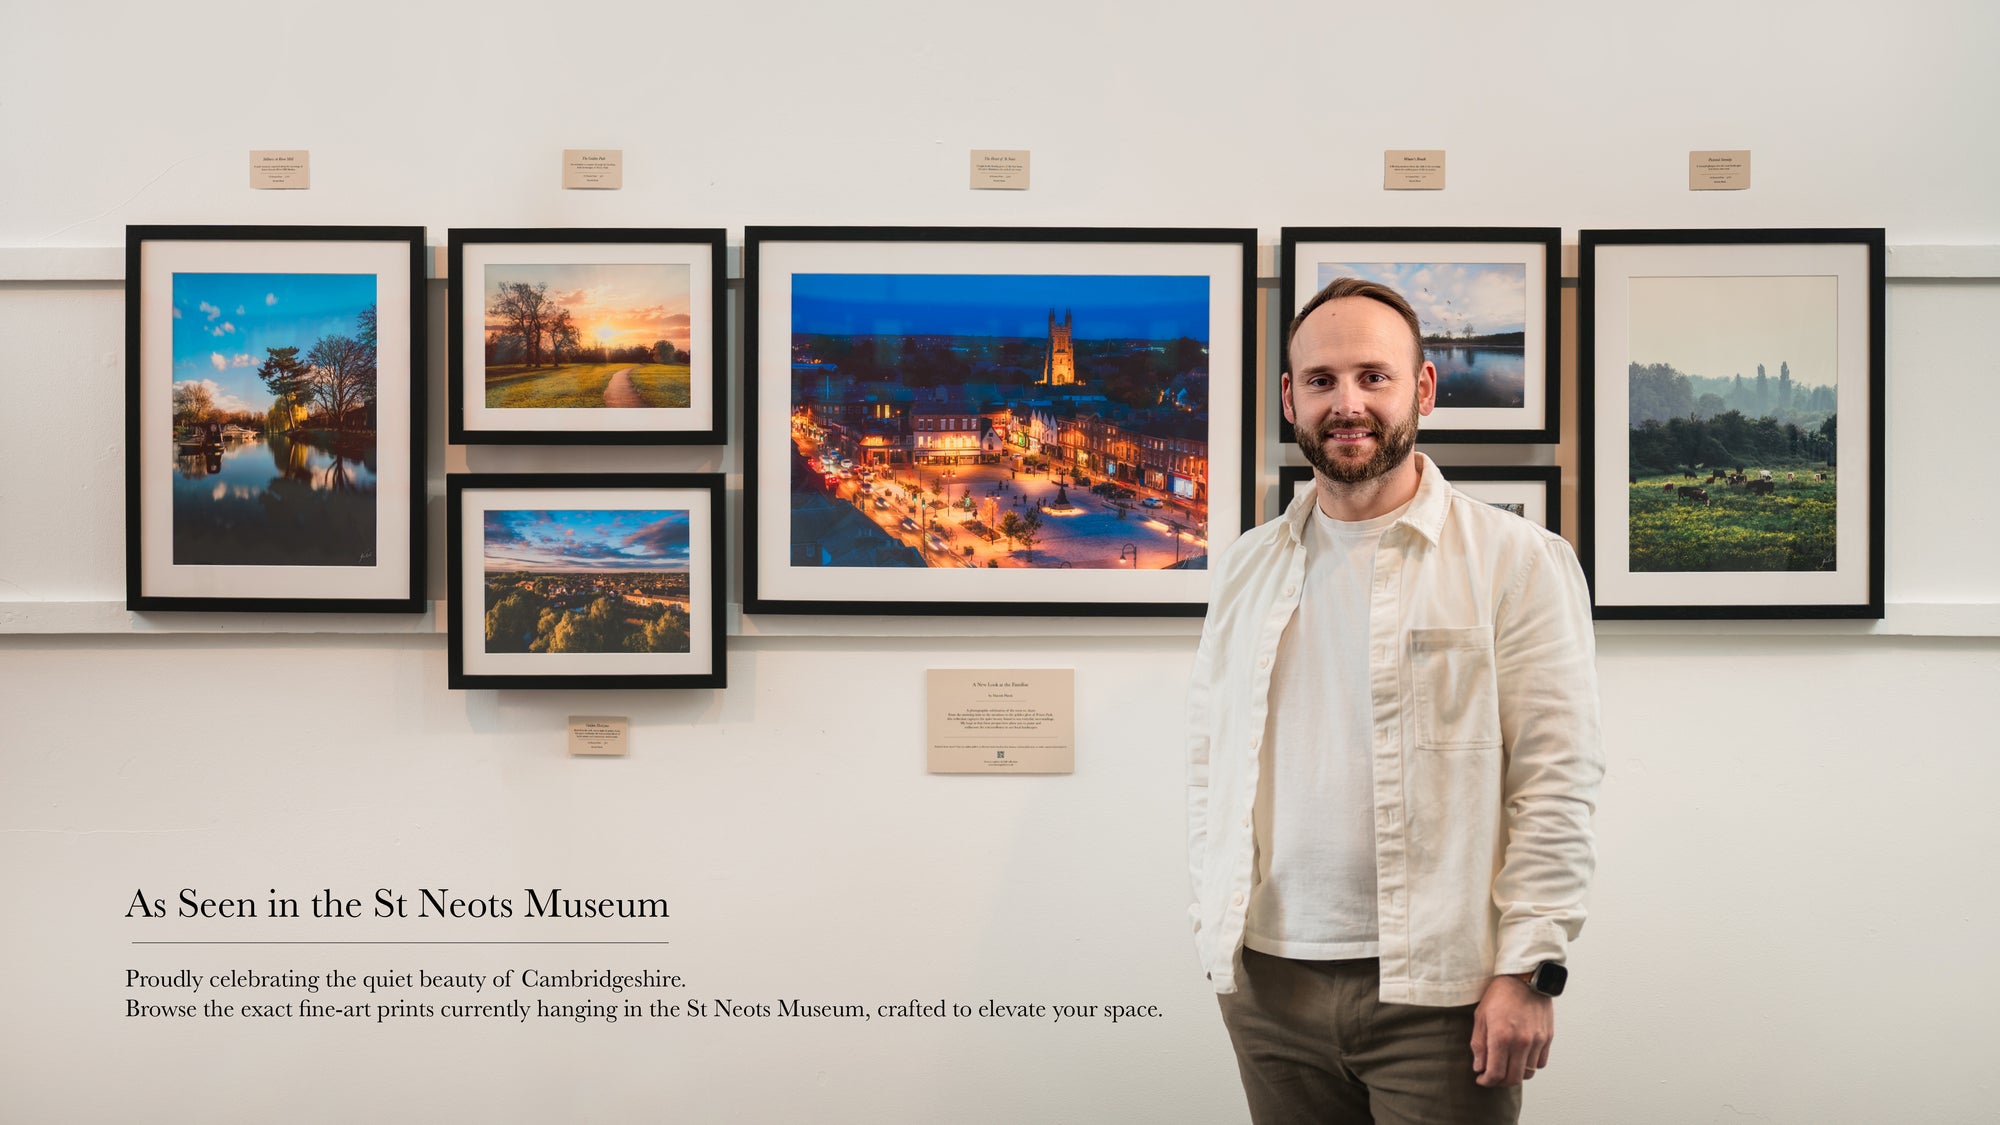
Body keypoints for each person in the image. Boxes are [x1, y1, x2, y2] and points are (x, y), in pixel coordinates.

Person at [1186, 277, 1603, 1123]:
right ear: (1288, 397)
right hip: (1268, 985)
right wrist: (1211, 923)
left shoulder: (1518, 560)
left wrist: (1529, 968)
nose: (1348, 403)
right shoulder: (1245, 567)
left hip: (1442, 996)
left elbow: (1555, 780)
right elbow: (1213, 760)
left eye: (1374, 377)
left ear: (1423, 387)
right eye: (1322, 380)